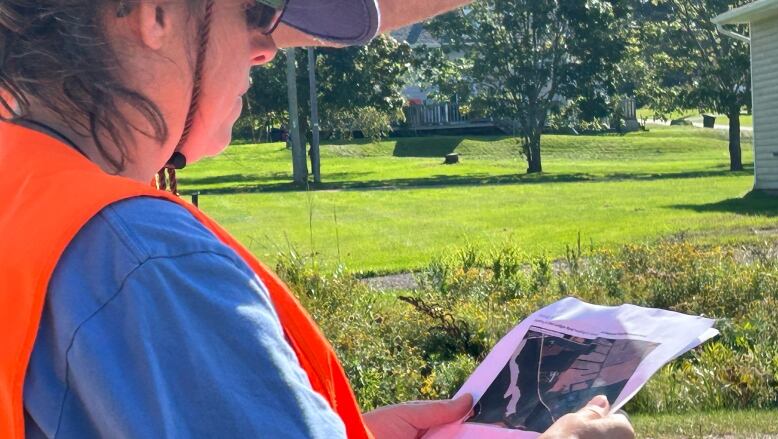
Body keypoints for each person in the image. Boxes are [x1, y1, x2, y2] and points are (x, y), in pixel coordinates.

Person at [0, 0, 635, 438]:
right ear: (155, 12)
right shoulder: (145, 258)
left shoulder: (27, 199)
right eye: (253, 11)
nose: (264, 49)